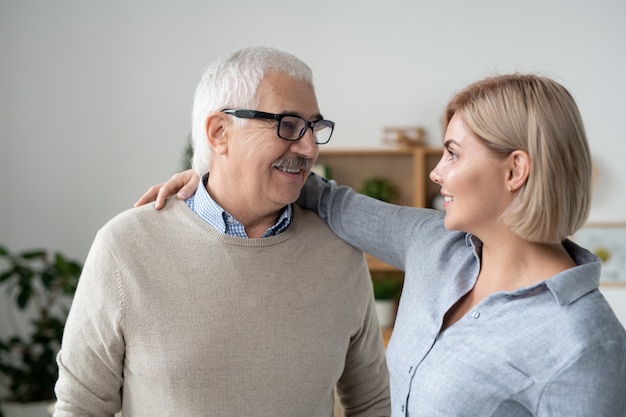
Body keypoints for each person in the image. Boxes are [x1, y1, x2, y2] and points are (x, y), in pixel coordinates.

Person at [138, 73, 626, 416]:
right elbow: (326, 198)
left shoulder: (586, 344)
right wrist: (215, 176)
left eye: (453, 154)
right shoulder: (432, 245)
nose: (437, 172)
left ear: (515, 170)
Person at [54, 46, 390, 417]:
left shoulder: (339, 252)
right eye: (289, 125)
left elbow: (372, 402)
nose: (309, 147)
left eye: (314, 127)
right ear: (219, 132)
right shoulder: (125, 247)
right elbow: (80, 407)